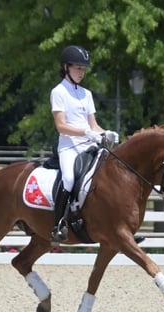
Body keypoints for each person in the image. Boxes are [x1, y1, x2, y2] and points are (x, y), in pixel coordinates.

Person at [50, 45, 118, 242]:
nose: (82, 72)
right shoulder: (59, 92)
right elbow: (61, 126)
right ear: (66, 67)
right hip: (69, 146)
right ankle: (58, 224)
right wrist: (87, 132)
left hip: (89, 145)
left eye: (83, 69)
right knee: (70, 179)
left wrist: (105, 132)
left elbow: (93, 124)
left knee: (110, 174)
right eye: (78, 68)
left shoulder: (86, 94)